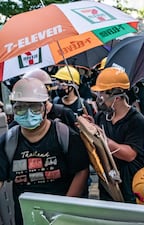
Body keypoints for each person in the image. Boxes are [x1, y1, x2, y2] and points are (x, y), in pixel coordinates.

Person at [0, 78, 90, 225]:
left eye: (35, 107)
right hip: (26, 217)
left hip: (62, 217)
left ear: (46, 108)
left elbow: (81, 171)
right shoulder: (8, 141)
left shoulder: (65, 135)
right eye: (20, 107)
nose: (28, 114)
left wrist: (65, 210)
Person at [89, 67, 144, 203]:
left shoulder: (136, 120)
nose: (100, 98)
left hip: (129, 183)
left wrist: (101, 137)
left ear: (116, 96)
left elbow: (129, 154)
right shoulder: (101, 117)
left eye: (102, 94)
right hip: (108, 182)